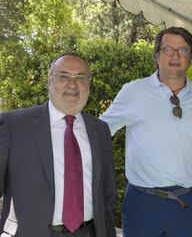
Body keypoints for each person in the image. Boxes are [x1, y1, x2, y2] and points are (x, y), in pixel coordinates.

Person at [100, 27, 192, 237]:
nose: (175, 55)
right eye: (168, 49)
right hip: (143, 204)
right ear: (157, 55)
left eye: (182, 51)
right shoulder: (133, 91)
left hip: (189, 205)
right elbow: (99, 132)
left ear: (190, 58)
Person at [0, 52, 117, 237]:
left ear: (88, 83)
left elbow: (108, 195)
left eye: (80, 78)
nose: (72, 84)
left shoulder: (100, 130)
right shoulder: (14, 125)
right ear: (50, 81)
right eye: (63, 76)